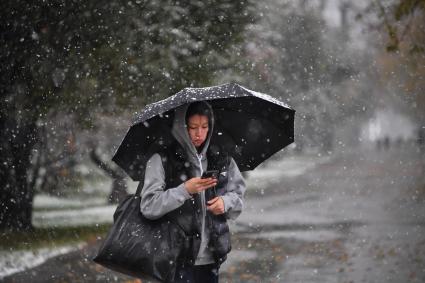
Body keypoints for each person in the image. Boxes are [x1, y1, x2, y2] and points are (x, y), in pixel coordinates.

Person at [140, 101, 246, 282]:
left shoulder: (221, 159)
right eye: (193, 127)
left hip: (212, 256)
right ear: (182, 128)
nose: (199, 134)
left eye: (205, 127)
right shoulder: (162, 160)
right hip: (175, 258)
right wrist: (184, 190)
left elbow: (238, 195)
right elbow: (149, 206)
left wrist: (225, 203)